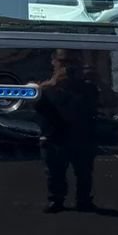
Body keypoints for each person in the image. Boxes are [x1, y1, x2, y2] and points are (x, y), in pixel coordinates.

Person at [35, 51, 99, 212]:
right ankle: (55, 200)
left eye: (72, 62)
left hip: (81, 137)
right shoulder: (46, 87)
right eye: (63, 62)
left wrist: (98, 82)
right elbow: (31, 104)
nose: (67, 66)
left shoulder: (87, 87)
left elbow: (108, 102)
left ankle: (83, 200)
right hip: (53, 136)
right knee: (54, 173)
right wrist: (50, 84)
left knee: (84, 173)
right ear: (53, 62)